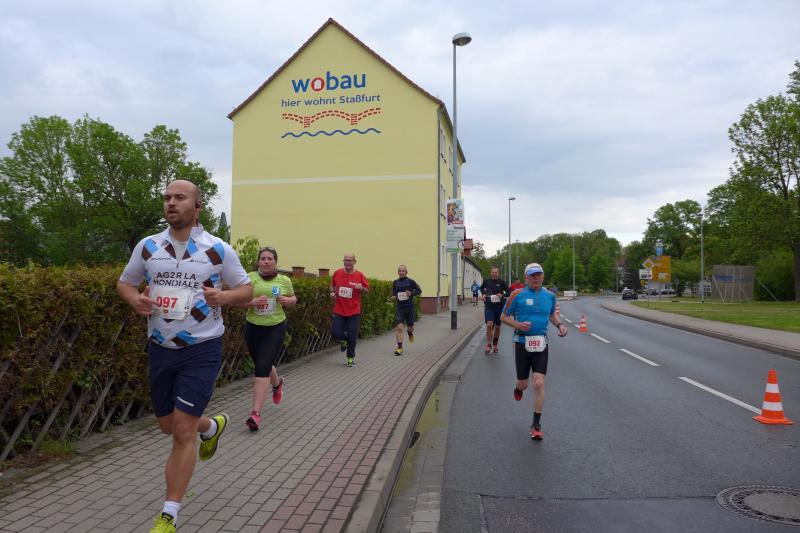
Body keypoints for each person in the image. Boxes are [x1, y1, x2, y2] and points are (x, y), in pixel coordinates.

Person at [117, 180, 253, 533]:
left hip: (202, 348)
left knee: (181, 430)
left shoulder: (218, 249)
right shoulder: (149, 247)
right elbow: (126, 283)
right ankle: (212, 427)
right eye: (167, 198)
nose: (171, 203)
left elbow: (246, 289)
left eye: (179, 197)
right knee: (167, 425)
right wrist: (134, 300)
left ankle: (169, 513)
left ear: (197, 206)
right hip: (161, 348)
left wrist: (225, 298)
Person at [501, 262, 567, 441]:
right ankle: (518, 388)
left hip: (541, 344)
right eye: (532, 275)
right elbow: (504, 317)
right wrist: (518, 324)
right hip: (521, 343)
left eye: (539, 275)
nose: (536, 278)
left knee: (538, 383)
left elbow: (552, 315)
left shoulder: (550, 296)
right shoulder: (517, 295)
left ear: (543, 276)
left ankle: (536, 425)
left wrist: (560, 325)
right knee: (523, 384)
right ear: (526, 278)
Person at [240, 246, 296, 431]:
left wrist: (288, 301)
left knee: (261, 367)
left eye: (269, 259)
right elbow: (238, 301)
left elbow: (293, 298)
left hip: (275, 327)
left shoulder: (284, 280)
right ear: (258, 261)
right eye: (263, 258)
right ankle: (277, 384)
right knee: (262, 363)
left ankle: (255, 414)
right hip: (253, 326)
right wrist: (253, 302)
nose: (266, 262)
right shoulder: (249, 278)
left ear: (275, 262)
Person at [330, 253, 369, 367]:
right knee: (335, 333)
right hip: (339, 310)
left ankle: (350, 358)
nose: (347, 262)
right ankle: (343, 339)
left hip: (353, 311)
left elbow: (367, 290)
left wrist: (362, 288)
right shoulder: (337, 273)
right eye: (345, 260)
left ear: (354, 262)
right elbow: (332, 285)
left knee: (352, 336)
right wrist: (332, 292)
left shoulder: (359, 275)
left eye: (350, 260)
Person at [390, 265, 422, 356]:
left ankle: (410, 333)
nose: (401, 272)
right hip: (400, 308)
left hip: (409, 307)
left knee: (410, 327)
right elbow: (394, 293)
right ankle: (400, 348)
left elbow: (419, 291)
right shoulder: (395, 282)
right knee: (399, 327)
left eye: (403, 271)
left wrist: (411, 293)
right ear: (398, 272)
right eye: (400, 271)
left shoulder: (411, 281)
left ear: (406, 272)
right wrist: (393, 297)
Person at [479, 266, 509, 354]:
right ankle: (489, 345)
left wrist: (502, 295)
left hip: (499, 308)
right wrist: (483, 294)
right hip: (489, 306)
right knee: (489, 324)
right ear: (491, 273)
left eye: (496, 272)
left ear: (498, 273)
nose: (494, 274)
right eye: (493, 272)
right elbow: (481, 288)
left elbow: (509, 292)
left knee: (498, 327)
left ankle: (495, 344)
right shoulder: (487, 281)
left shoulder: (502, 282)